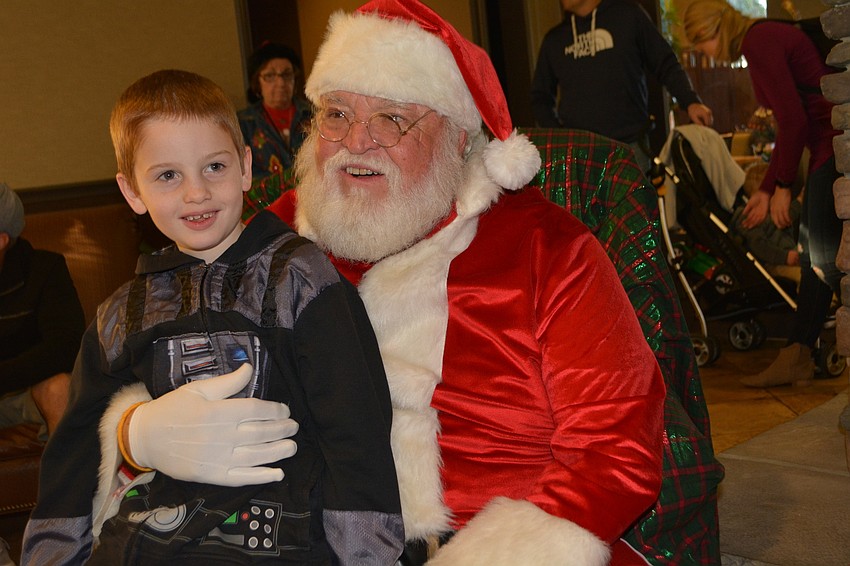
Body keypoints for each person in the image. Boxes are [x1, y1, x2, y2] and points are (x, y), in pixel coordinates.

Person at [88, 1, 722, 564]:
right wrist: (136, 432)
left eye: (391, 119)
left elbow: (613, 447)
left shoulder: (547, 249)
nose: (356, 143)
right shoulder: (271, 237)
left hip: (508, 539)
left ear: (454, 139)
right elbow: (157, 354)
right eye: (336, 114)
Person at [21, 69, 403, 565]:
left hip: (283, 534)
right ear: (132, 192)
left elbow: (356, 425)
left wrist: (366, 554)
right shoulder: (122, 314)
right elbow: (74, 446)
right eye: (167, 175)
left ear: (246, 168)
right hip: (152, 537)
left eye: (215, 167)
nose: (196, 192)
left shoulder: (301, 277)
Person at [683, 0, 841, 387]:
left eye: (699, 43)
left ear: (712, 31)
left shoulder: (758, 41)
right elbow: (794, 120)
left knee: (820, 257)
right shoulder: (763, 37)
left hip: (831, 145)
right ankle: (798, 354)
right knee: (816, 257)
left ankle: (798, 355)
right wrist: (767, 189)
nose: (703, 53)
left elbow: (793, 120)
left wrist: (783, 187)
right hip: (827, 145)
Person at [530, 0, 714, 172]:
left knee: (638, 206)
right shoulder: (554, 40)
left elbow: (665, 63)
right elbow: (540, 98)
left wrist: (690, 101)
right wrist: (562, 139)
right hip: (580, 158)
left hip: (630, 148)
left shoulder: (628, 16)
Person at [0, 181, 84, 438]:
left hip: (25, 393)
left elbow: (66, 345)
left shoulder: (44, 269)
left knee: (58, 387)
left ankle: (68, 476)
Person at [239, 42, 313, 219]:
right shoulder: (243, 123)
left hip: (310, 208)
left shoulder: (314, 115)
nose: (280, 83)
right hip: (265, 213)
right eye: (270, 76)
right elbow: (243, 179)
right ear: (258, 82)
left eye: (286, 75)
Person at [730, 160, 801, 269]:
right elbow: (759, 246)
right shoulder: (749, 218)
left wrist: (800, 201)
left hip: (789, 254)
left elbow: (784, 217)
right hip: (773, 264)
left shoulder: (769, 212)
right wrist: (785, 257)